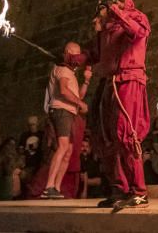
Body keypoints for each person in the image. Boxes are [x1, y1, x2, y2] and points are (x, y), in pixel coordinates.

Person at [87, 0, 151, 210]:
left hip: (129, 81)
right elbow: (95, 55)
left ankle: (139, 191)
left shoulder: (137, 18)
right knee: (106, 138)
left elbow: (138, 34)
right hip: (109, 84)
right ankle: (120, 189)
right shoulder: (107, 29)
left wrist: (117, 12)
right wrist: (74, 58)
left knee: (126, 135)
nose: (112, 2)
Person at [41, 43, 88, 199]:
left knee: (67, 152)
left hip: (69, 112)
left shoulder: (70, 73)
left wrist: (86, 81)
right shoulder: (62, 69)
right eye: (76, 54)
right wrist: (80, 104)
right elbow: (63, 91)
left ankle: (56, 187)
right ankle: (49, 187)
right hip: (61, 111)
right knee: (62, 147)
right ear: (68, 52)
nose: (79, 57)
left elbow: (77, 97)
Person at [18, 115, 43, 180]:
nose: (31, 127)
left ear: (37, 124)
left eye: (33, 124)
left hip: (39, 164)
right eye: (29, 125)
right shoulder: (24, 135)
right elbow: (20, 149)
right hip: (28, 165)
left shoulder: (42, 135)